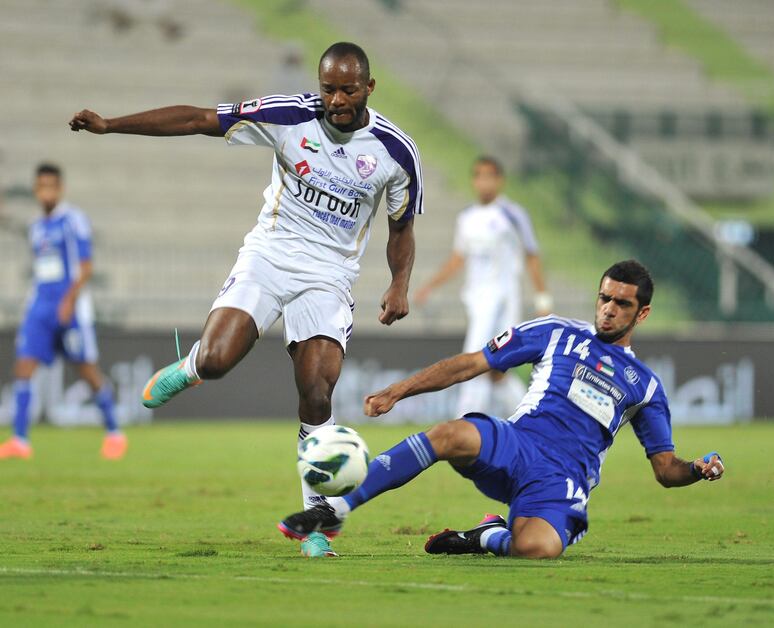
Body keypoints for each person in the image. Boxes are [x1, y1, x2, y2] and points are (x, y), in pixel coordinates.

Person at [68, 42, 422, 532]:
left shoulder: (396, 152)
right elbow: (196, 119)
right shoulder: (287, 116)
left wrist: (399, 283)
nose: (336, 100)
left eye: (348, 90)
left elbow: (401, 228)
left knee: (317, 391)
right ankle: (191, 365)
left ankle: (316, 521)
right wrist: (111, 124)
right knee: (217, 361)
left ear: (369, 87)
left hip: (329, 274)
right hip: (270, 254)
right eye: (328, 89)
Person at [279, 260, 725, 559]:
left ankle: (485, 535)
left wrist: (696, 470)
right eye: (604, 298)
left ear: (641, 314)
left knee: (537, 550)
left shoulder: (645, 386)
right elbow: (473, 363)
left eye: (621, 304)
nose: (608, 310)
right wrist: (400, 390)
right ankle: (334, 510)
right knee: (451, 434)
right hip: (519, 443)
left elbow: (665, 468)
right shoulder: (555, 332)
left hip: (563, 479)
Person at [0, 164, 127, 460]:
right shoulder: (36, 227)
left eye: (50, 186)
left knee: (86, 371)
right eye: (41, 186)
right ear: (35, 190)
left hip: (69, 306)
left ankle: (114, 432)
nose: (46, 192)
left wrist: (69, 301)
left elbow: (85, 268)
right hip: (40, 306)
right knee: (24, 367)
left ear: (59, 189)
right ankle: (20, 439)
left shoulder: (73, 221)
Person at [414, 156, 551, 417]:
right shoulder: (466, 217)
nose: (484, 181)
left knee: (476, 357)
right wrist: (430, 286)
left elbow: (531, 254)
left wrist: (542, 298)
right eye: (478, 176)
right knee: (496, 371)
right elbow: (458, 258)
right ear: (474, 181)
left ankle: (464, 422)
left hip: (502, 299)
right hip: (476, 299)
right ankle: (532, 417)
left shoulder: (512, 214)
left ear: (499, 180)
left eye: (489, 176)